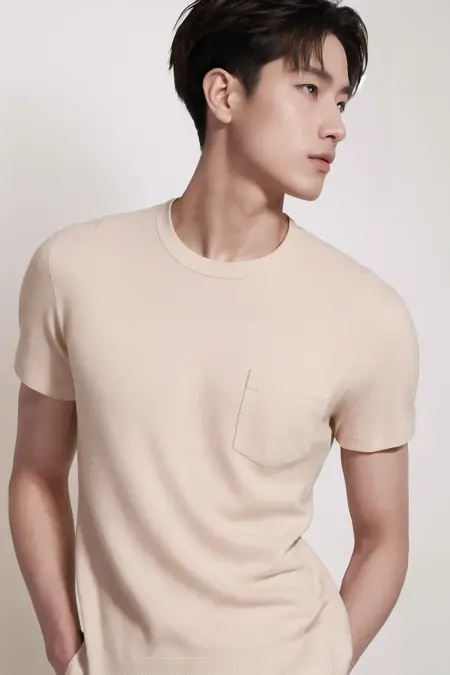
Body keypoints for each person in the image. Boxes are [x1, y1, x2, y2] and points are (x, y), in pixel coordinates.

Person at [8, 1, 420, 674]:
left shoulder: (369, 316)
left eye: (342, 100)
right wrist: (65, 646)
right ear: (224, 94)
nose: (336, 125)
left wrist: (323, 660)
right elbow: (36, 473)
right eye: (309, 88)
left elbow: (385, 538)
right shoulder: (74, 270)